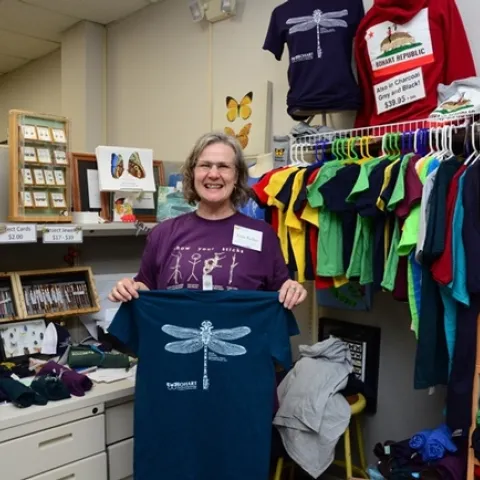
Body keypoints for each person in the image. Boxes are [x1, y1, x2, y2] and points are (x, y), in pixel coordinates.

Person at [108, 131, 307, 309]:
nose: (213, 174)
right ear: (193, 173)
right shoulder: (163, 233)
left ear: (236, 176)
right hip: (174, 345)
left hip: (244, 347)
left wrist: (291, 289)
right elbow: (146, 286)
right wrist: (129, 288)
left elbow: (280, 292)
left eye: (223, 166)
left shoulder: (263, 235)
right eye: (204, 165)